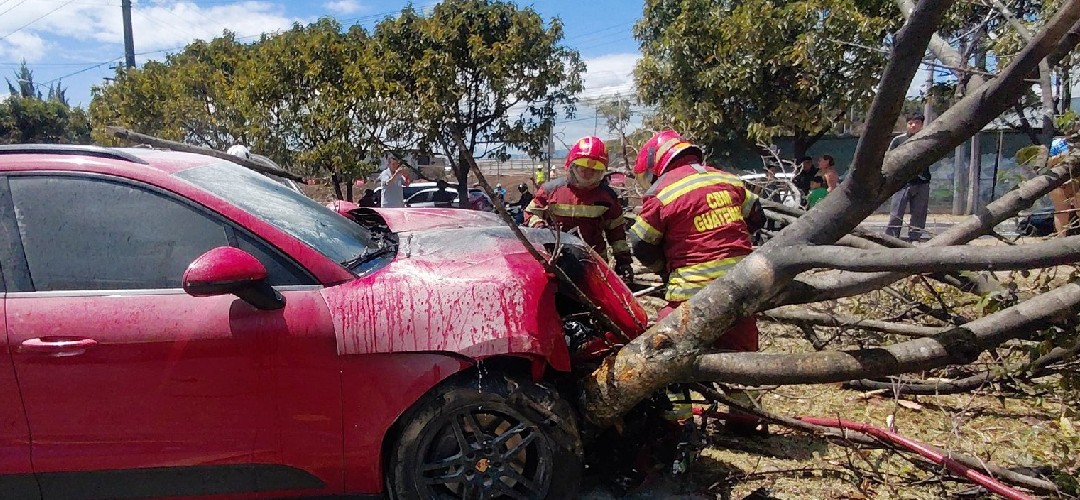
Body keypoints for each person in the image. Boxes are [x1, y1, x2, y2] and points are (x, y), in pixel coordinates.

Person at [628, 130, 766, 431]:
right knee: (741, 363)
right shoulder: (728, 179)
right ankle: (744, 420)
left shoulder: (662, 191)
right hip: (744, 289)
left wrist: (664, 268)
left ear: (656, 166)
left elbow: (639, 242)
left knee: (663, 356)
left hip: (691, 296)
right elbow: (758, 216)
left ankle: (678, 427)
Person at [524, 136, 633, 282]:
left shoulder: (607, 197)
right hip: (555, 260)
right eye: (583, 168)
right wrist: (541, 228)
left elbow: (617, 232)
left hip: (594, 262)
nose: (587, 174)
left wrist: (623, 261)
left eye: (594, 170)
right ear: (572, 166)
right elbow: (530, 213)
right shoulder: (551, 191)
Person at [885, 114, 929, 241]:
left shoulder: (928, 139)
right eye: (910, 123)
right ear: (907, 124)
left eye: (917, 122)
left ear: (922, 124)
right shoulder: (898, 140)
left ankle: (915, 238)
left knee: (919, 213)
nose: (913, 125)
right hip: (901, 184)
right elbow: (889, 157)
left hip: (922, 182)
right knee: (896, 213)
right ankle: (891, 238)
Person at [1047, 137, 1076, 236]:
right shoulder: (1057, 143)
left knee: (1064, 211)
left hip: (1071, 179)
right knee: (1061, 211)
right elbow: (1049, 163)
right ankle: (1061, 238)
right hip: (1060, 179)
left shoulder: (1058, 142)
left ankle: (1062, 237)